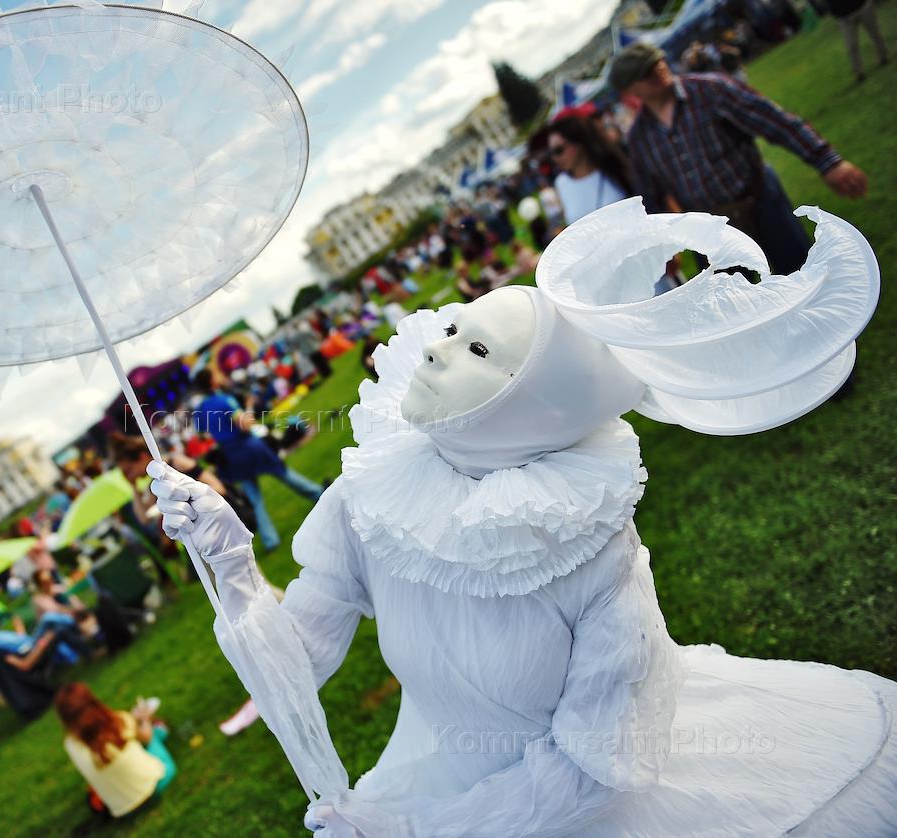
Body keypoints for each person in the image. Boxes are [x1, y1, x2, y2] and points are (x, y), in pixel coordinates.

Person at [147, 202, 894, 835]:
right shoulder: (372, 496)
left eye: (477, 348)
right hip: (444, 781)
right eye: (452, 332)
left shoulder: (594, 553)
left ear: (540, 404)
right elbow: (298, 664)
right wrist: (233, 566)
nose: (435, 353)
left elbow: (594, 767)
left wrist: (420, 831)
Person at [612, 41, 868, 274]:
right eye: (645, 73)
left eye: (657, 62)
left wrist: (828, 162)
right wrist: (660, 248)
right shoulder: (639, 138)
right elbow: (651, 196)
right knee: (734, 303)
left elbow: (774, 121)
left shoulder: (711, 89)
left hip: (761, 203)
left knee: (802, 278)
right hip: (710, 233)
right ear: (630, 89)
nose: (657, 71)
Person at [189, 367, 322, 552]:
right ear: (211, 380)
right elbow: (245, 425)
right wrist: (250, 406)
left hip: (232, 455)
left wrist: (220, 433)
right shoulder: (224, 400)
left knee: (254, 498)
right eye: (215, 374)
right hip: (249, 447)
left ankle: (270, 540)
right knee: (283, 474)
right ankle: (318, 494)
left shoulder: (201, 408)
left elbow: (202, 436)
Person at [54, 682, 176, 819]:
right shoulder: (118, 721)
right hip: (156, 785)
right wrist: (145, 718)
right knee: (154, 736)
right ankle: (160, 730)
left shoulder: (70, 744)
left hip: (123, 810)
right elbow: (146, 737)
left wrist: (133, 718)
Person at [546, 113, 632, 226]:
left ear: (577, 142)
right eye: (551, 153)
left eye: (559, 150)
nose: (555, 158)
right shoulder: (561, 183)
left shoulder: (613, 169)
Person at [0, 619, 58, 720]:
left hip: (22, 705)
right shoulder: (1, 650)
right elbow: (25, 662)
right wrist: (43, 643)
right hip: (37, 693)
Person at [826, 0, 889, 82]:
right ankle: (859, 73)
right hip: (845, 18)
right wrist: (839, 15)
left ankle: (884, 57)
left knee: (875, 34)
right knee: (851, 46)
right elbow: (829, 4)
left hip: (863, 7)